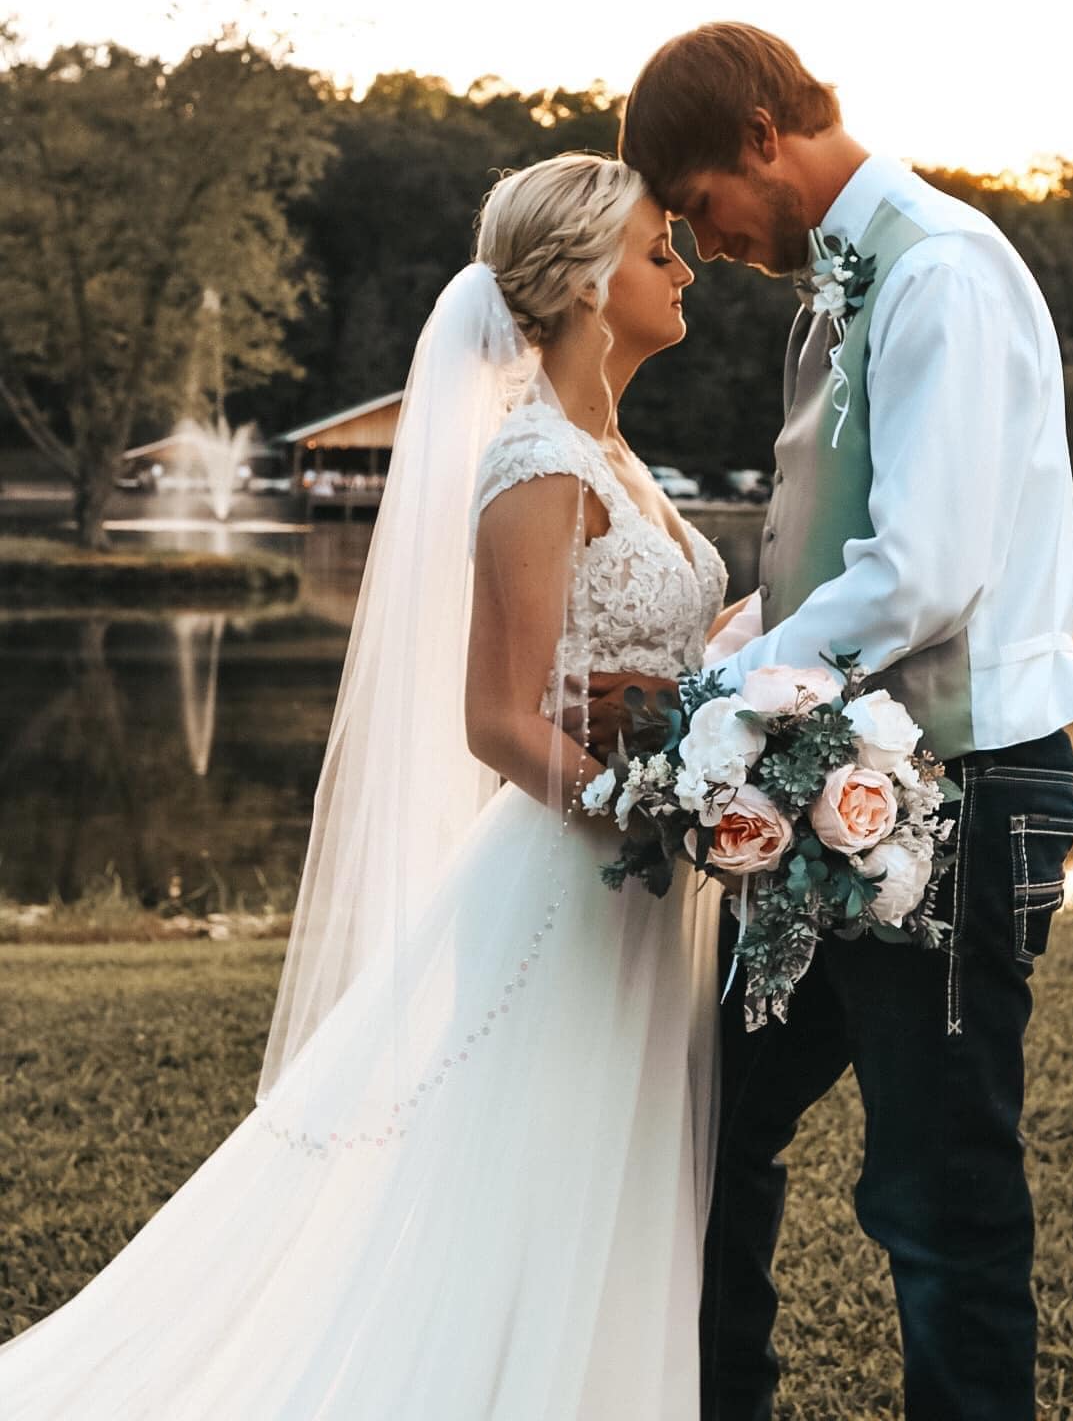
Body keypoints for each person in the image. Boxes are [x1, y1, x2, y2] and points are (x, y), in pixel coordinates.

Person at [0, 153, 734, 1420]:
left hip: (636, 878)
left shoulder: (614, 453)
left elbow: (651, 659)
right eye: (656, 246)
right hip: (573, 880)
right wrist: (650, 816)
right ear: (582, 281)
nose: (683, 268)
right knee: (533, 1185)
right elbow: (496, 720)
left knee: (608, 1181)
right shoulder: (536, 464)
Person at [609, 23, 1073, 1421]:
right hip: (840, 785)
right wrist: (715, 653)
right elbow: (827, 571)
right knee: (709, 1127)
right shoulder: (842, 287)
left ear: (762, 135)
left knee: (938, 1201)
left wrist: (711, 703)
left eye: (704, 204)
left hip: (959, 795)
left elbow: (923, 569)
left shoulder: (938, 272)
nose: (708, 244)